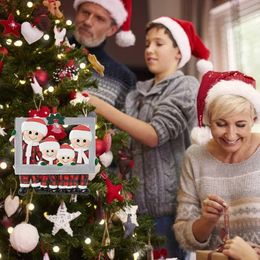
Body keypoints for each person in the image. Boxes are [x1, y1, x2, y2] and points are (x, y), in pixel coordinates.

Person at [86, 16, 212, 259]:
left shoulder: (186, 86)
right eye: (147, 44)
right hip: (133, 210)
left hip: (172, 211)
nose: (149, 50)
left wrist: (101, 107)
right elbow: (126, 142)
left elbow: (154, 135)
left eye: (159, 43)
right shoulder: (135, 95)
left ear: (178, 52)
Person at [173, 71, 260, 258]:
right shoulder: (195, 157)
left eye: (240, 125)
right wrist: (207, 220)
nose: (230, 135)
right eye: (221, 124)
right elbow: (183, 237)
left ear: (253, 119)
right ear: (208, 121)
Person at [71, 0, 137, 109]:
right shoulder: (45, 52)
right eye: (85, 12)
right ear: (76, 13)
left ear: (112, 30)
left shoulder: (124, 78)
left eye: (99, 18)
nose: (88, 22)